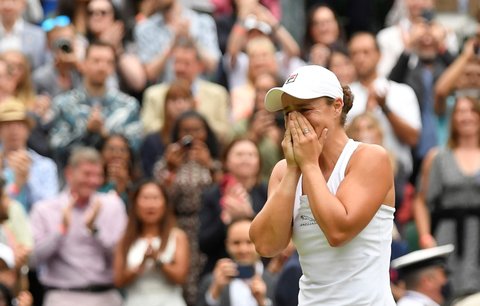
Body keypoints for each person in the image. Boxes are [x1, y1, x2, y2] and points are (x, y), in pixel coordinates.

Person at [249, 65, 396, 305]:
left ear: (337, 106)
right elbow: (266, 245)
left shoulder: (370, 158)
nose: (295, 121)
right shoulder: (284, 171)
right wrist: (294, 170)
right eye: (288, 113)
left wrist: (308, 165)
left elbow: (338, 232)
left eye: (305, 109)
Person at [30, 147, 127, 306]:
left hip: (106, 295)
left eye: (98, 175)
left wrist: (95, 231)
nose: (93, 181)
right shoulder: (45, 209)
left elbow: (121, 256)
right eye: (87, 174)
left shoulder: (113, 205)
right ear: (69, 173)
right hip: (62, 297)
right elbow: (33, 260)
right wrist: (61, 230)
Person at [413, 96, 480, 296]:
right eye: (460, 111)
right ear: (453, 118)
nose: (466, 116)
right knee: (449, 291)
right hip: (449, 234)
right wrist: (425, 235)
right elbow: (421, 200)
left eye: (472, 110)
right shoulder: (439, 157)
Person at [49, 41, 143, 169]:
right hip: (74, 177)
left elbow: (136, 147)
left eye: (108, 62)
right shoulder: (63, 104)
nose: (102, 67)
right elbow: (56, 147)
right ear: (83, 64)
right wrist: (86, 132)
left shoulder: (128, 106)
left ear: (113, 68)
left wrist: (107, 135)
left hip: (115, 178)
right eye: (96, 61)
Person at [113, 179, 189, 306]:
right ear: (135, 203)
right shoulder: (125, 239)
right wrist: (140, 265)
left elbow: (181, 277)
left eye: (155, 198)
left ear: (165, 203)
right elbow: (118, 280)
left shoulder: (177, 236)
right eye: (145, 198)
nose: (150, 204)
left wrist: (157, 260)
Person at [199, 138, 267, 275]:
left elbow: (275, 234)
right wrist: (226, 219)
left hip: (261, 270)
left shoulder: (267, 192)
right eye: (239, 155)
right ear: (226, 161)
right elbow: (204, 243)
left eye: (251, 155)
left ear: (259, 162)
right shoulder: (212, 195)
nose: (245, 159)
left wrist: (250, 216)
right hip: (221, 268)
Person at [197, 217, 276, 306]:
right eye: (236, 243)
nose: (243, 249)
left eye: (249, 242)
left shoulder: (275, 281)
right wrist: (215, 292)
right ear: (227, 245)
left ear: (260, 243)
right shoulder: (211, 282)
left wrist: (262, 302)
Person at [0, 98, 59, 213]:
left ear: (28, 129)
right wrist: (16, 186)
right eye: (7, 125)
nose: (13, 131)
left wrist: (28, 179)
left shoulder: (46, 166)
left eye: (19, 124)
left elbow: (50, 209)